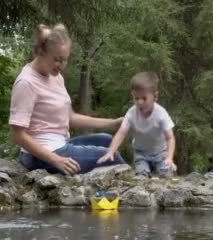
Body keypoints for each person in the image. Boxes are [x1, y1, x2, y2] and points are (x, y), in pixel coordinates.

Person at [9, 23, 125, 175]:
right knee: (112, 156)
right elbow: (17, 135)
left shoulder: (56, 77)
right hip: (39, 155)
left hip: (60, 143)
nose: (61, 66)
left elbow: (71, 117)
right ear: (41, 52)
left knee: (108, 141)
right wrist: (55, 159)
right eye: (57, 59)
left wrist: (113, 123)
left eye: (65, 60)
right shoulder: (26, 82)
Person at [97, 72, 176, 176]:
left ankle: (165, 172)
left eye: (144, 98)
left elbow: (170, 138)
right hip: (141, 153)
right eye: (136, 98)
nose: (139, 102)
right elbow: (121, 133)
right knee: (141, 174)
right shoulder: (131, 113)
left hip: (161, 153)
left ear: (155, 97)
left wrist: (169, 158)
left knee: (166, 173)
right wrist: (111, 151)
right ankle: (143, 176)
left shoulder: (161, 114)